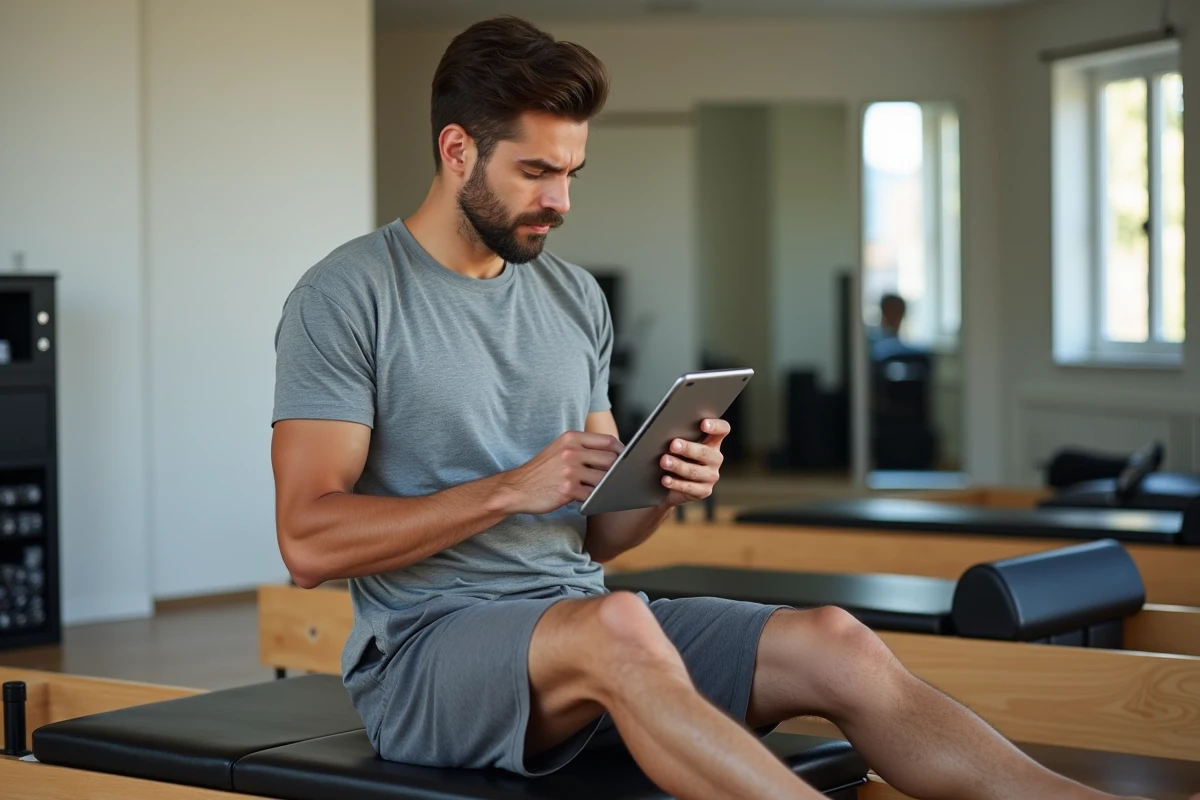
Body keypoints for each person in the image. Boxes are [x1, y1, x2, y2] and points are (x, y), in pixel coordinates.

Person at [270, 16, 1187, 800]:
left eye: (573, 173)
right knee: (619, 626)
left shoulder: (571, 298)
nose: (560, 201)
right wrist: (509, 489)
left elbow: (599, 540)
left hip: (579, 618)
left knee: (836, 642)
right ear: (457, 148)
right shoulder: (350, 295)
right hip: (429, 659)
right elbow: (308, 541)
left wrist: (658, 485)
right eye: (536, 172)